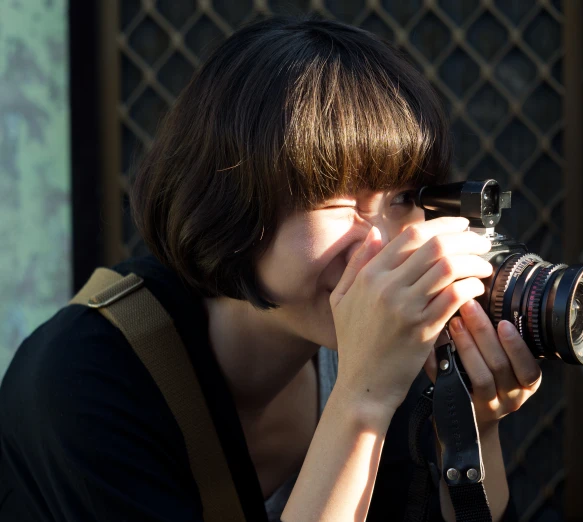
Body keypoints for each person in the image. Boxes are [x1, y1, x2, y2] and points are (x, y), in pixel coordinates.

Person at [0, 16, 542, 522]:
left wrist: (473, 433)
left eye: (403, 198)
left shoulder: (390, 355)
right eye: (336, 200)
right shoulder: (83, 381)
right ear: (230, 203)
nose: (381, 243)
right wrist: (363, 396)